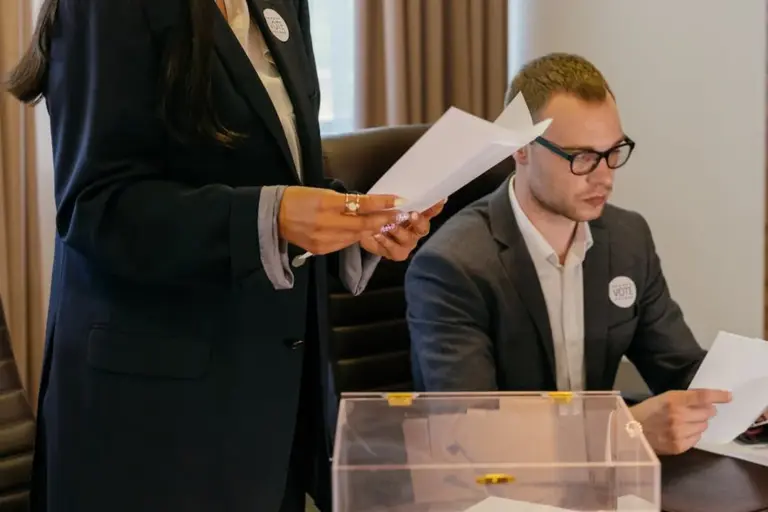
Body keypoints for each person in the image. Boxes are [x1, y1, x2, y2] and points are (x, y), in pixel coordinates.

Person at [5, 0, 443, 511]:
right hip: (153, 422)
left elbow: (274, 169)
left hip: (266, 406)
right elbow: (95, 207)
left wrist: (359, 223)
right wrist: (273, 216)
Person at [404, 53, 731, 456]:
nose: (605, 176)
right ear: (521, 149)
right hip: (499, 483)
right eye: (583, 157)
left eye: (614, 152)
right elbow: (469, 431)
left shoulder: (628, 238)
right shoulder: (454, 265)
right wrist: (624, 430)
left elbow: (679, 368)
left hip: (602, 479)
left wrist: (745, 399)